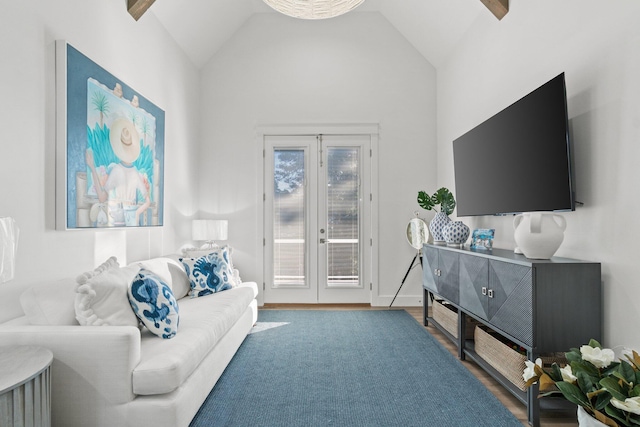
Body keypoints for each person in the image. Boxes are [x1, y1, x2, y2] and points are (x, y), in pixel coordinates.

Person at [86, 117, 150, 226]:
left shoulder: (118, 170)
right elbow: (147, 201)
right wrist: (137, 214)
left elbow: (102, 198)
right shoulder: (132, 172)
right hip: (126, 219)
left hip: (121, 219)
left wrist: (92, 167)